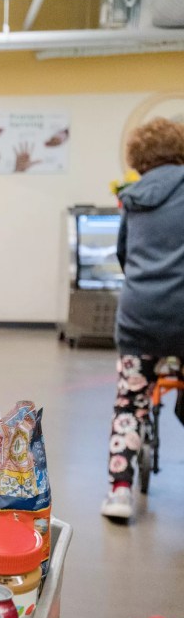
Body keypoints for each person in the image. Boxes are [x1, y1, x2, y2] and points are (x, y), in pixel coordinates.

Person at [101, 117, 184, 522]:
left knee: (130, 404)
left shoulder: (133, 198)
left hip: (139, 318)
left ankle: (119, 493)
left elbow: (123, 255)